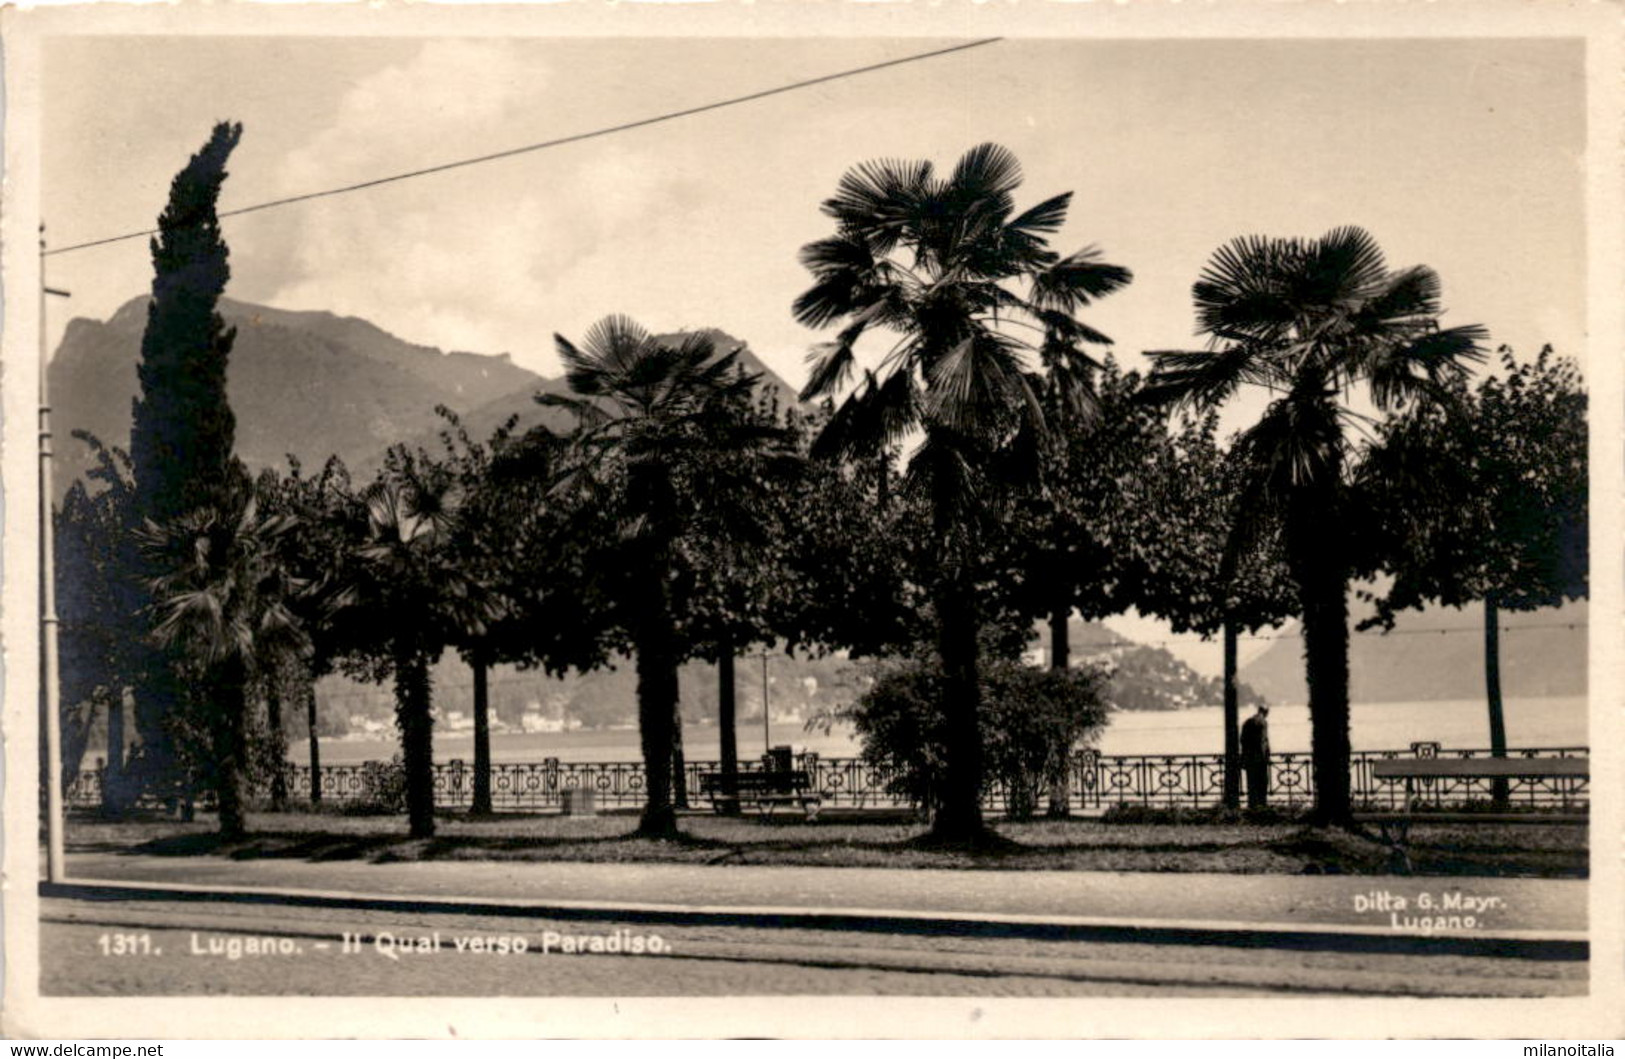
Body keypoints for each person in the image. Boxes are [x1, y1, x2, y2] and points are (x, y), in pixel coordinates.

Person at [1240, 704, 1271, 809]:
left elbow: (1242, 740)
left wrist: (1244, 756)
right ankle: (1262, 804)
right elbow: (1263, 741)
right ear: (1265, 712)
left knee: (1251, 783)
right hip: (1260, 758)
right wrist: (1266, 755)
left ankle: (1252, 804)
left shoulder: (1247, 722)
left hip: (1249, 758)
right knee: (1262, 783)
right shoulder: (1263, 723)